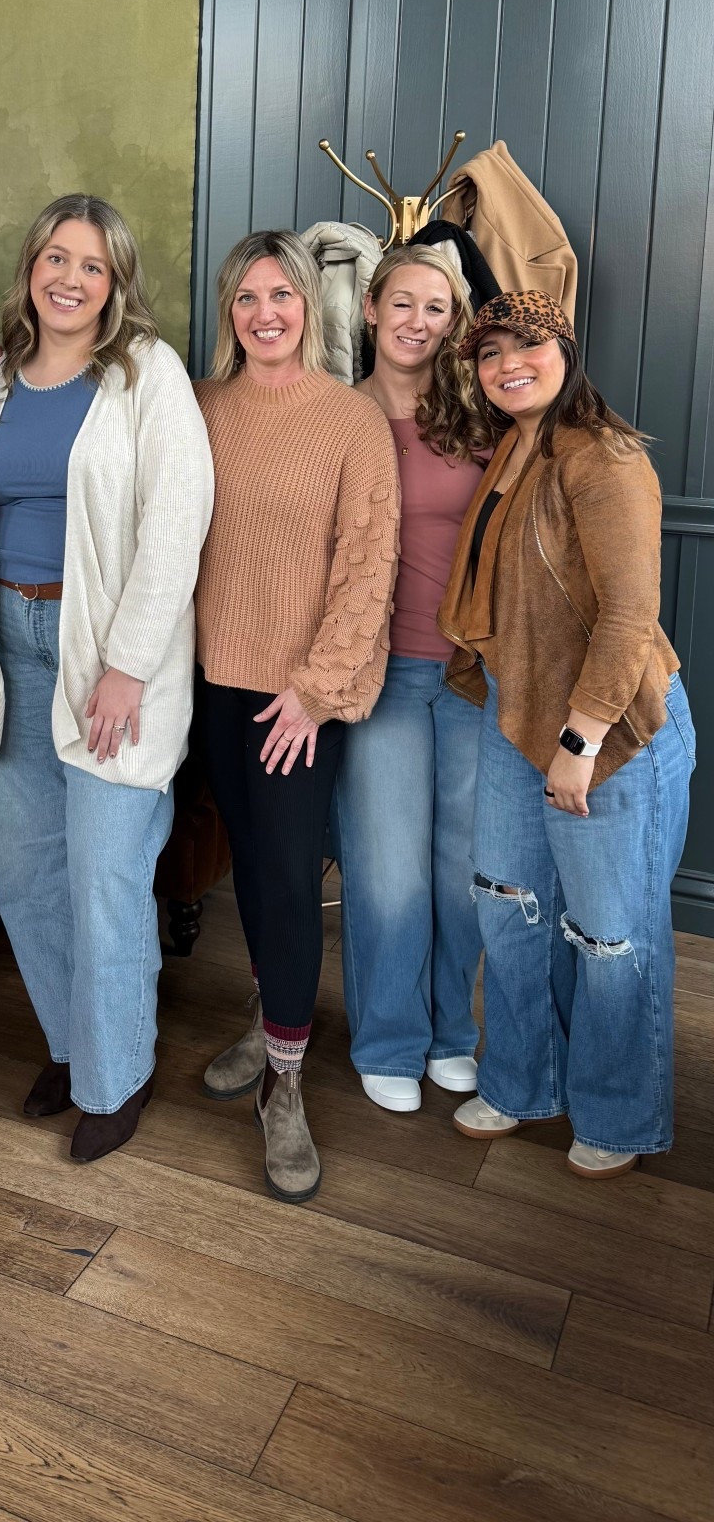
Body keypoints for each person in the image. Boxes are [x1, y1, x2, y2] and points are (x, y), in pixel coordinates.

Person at [0, 194, 213, 1162]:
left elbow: (176, 520)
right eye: (54, 257)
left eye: (91, 265)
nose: (68, 277)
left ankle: (117, 1075)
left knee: (105, 873)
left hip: (102, 650)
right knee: (25, 872)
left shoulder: (147, 374)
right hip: (7, 648)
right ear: (30, 268)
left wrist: (127, 663)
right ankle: (74, 1041)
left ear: (116, 284)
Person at [438, 292, 695, 1177]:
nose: (510, 363)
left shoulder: (605, 457)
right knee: (509, 907)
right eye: (490, 352)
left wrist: (581, 740)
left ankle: (620, 1115)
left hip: (610, 729)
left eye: (529, 345)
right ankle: (523, 1081)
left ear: (566, 348)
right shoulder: (516, 446)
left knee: (610, 933)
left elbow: (629, 616)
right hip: (518, 712)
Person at [195, 231, 399, 1203]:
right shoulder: (200, 406)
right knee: (250, 875)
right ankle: (269, 1015)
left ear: (308, 306)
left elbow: (369, 564)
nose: (264, 312)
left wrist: (315, 688)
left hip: (297, 696)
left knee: (286, 878)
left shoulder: (352, 420)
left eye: (281, 294)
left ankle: (285, 1084)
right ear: (229, 309)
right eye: (246, 297)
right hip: (213, 680)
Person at [335, 245, 491, 1113]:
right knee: (389, 870)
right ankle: (389, 1038)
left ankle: (450, 1034)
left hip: (469, 674)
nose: (417, 322)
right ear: (369, 307)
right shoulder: (337, 416)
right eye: (403, 303)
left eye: (436, 308)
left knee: (462, 866)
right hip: (380, 676)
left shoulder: (474, 417)